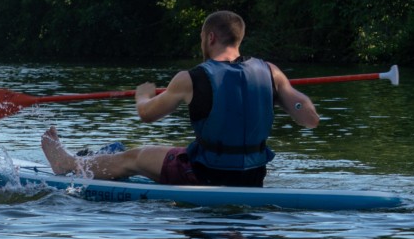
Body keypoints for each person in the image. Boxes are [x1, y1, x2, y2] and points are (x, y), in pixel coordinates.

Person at [42, 10, 320, 187]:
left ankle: (65, 164)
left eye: (201, 37)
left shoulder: (191, 77)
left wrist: (143, 97)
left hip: (206, 174)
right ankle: (89, 160)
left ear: (210, 37)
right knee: (178, 148)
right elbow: (309, 119)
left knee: (134, 156)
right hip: (252, 177)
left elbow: (147, 115)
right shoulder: (271, 72)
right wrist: (286, 93)